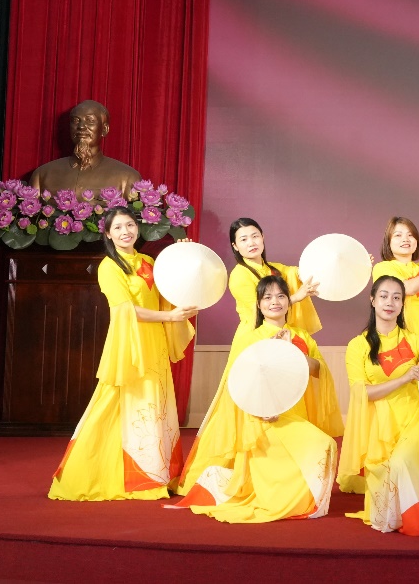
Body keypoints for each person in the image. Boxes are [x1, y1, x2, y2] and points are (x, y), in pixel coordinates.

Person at [174, 217, 342, 497]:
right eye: (243, 239)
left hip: (278, 334)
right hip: (253, 337)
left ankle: (270, 464)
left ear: (263, 238)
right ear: (235, 247)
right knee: (241, 404)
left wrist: (335, 264)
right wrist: (295, 297)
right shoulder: (240, 275)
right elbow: (260, 307)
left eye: (255, 236)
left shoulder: (275, 270)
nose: (251, 243)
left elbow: (306, 272)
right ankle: (233, 468)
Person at [49, 207, 196, 501]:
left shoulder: (148, 261)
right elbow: (125, 311)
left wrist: (183, 257)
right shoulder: (109, 267)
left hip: (153, 342)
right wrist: (170, 318)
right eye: (118, 228)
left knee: (155, 406)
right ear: (107, 234)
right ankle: (102, 474)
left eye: (130, 225)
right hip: (130, 344)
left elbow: (173, 290)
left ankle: (159, 473)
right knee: (120, 406)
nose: (125, 232)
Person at [178, 275, 338, 522]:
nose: (275, 302)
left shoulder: (302, 337)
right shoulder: (251, 338)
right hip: (263, 418)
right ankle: (278, 498)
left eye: (281, 296)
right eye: (268, 297)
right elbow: (240, 382)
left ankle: (294, 499)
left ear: (289, 302)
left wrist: (292, 352)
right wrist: (261, 409)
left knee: (322, 446)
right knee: (321, 444)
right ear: (259, 305)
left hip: (296, 413)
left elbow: (319, 370)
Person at [339, 275, 419, 535]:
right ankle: (399, 515)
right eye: (384, 296)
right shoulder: (358, 346)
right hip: (378, 427)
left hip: (413, 420)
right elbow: (363, 393)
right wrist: (405, 377)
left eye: (397, 298)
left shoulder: (416, 342)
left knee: (400, 464)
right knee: (383, 520)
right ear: (373, 300)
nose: (390, 302)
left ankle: (416, 519)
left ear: (402, 305)